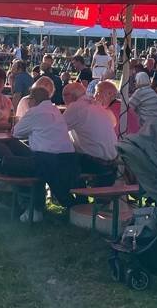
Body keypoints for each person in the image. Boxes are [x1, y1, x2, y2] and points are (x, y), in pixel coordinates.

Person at [13, 86, 79, 222]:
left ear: (33, 100)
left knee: (15, 167)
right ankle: (72, 207)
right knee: (60, 190)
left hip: (48, 160)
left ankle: (33, 208)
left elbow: (16, 132)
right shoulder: (55, 110)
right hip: (68, 159)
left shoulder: (35, 112)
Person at [62, 81, 119, 185]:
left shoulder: (76, 107)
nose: (63, 101)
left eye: (64, 96)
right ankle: (79, 195)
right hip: (113, 163)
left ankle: (73, 198)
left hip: (97, 163)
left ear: (70, 96)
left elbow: (55, 131)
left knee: (59, 159)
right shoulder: (96, 104)